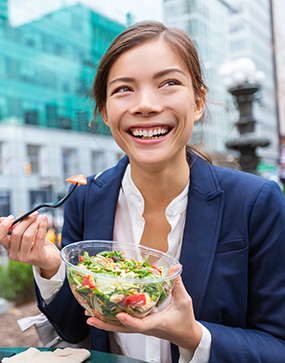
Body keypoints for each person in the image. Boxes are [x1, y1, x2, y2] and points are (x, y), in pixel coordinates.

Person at [0, 21, 285, 363]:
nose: (145, 105)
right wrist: (50, 266)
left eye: (169, 83)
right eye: (124, 89)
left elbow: (277, 346)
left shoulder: (257, 202)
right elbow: (78, 332)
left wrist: (194, 336)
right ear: (104, 111)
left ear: (198, 102)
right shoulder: (86, 198)